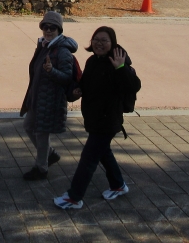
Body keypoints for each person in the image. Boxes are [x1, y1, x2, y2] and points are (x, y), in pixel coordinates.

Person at [53, 26, 139, 209]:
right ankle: (118, 185)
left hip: (108, 121)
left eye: (104, 40)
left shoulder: (118, 63)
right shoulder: (92, 61)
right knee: (103, 152)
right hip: (93, 118)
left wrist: (121, 68)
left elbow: (133, 86)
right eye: (96, 40)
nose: (99, 43)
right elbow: (85, 84)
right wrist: (77, 90)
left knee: (88, 158)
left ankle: (74, 197)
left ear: (112, 43)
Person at [20, 11, 79, 181]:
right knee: (28, 126)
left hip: (50, 100)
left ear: (59, 29)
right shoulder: (44, 45)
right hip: (37, 98)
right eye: (45, 27)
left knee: (41, 133)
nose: (48, 30)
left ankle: (41, 168)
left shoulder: (62, 51)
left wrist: (51, 71)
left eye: (52, 27)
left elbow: (67, 77)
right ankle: (49, 154)